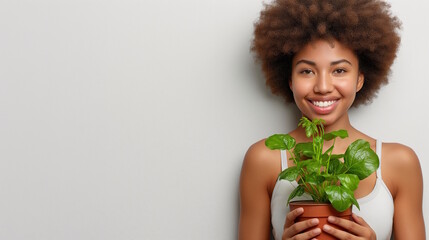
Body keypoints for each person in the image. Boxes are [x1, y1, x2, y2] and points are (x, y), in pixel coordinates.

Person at [238, 0, 425, 239]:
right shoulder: (262, 160)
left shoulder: (400, 163)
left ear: (359, 79)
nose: (323, 87)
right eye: (307, 71)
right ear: (290, 80)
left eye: (339, 70)